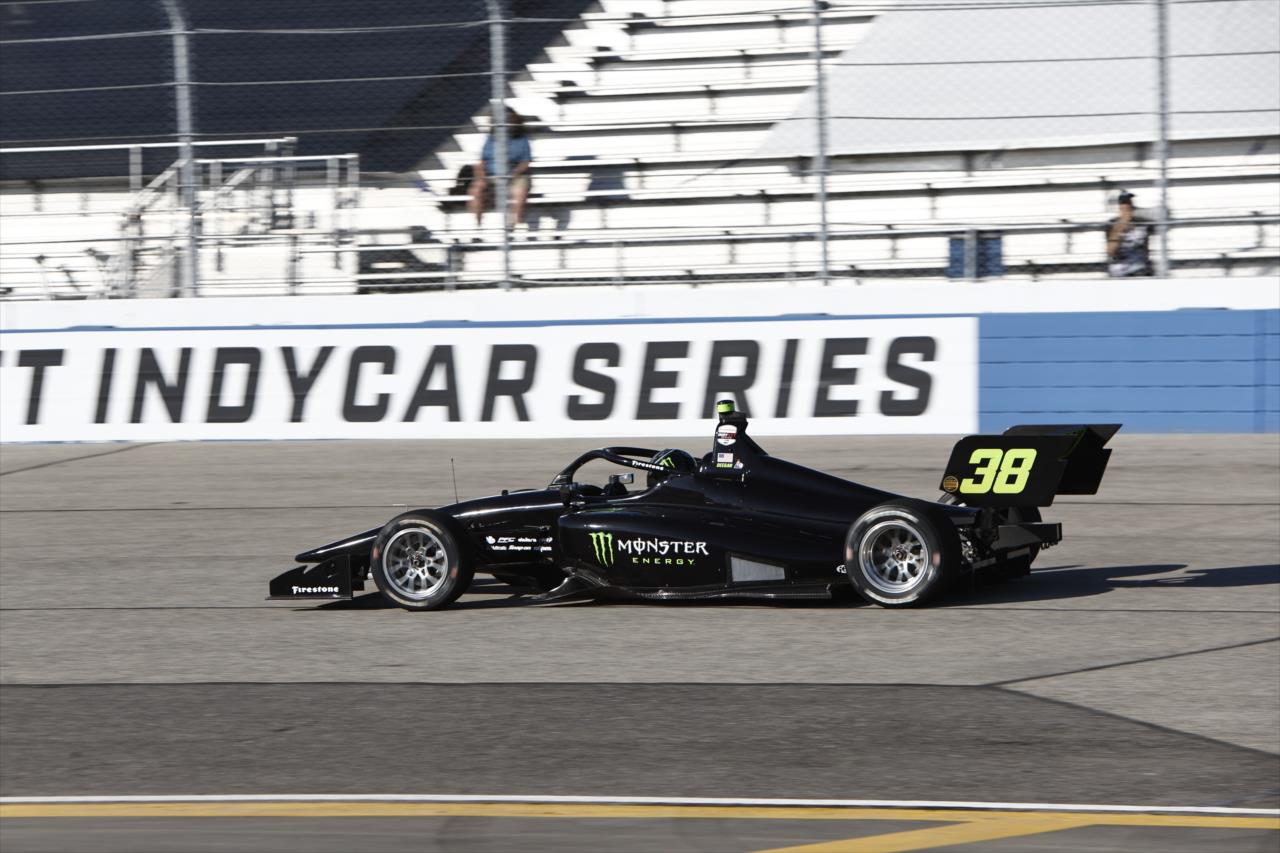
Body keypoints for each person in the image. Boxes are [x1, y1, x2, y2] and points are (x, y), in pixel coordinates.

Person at [467, 108, 531, 230]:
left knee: (520, 191)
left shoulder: (521, 139)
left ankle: (517, 226)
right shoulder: (490, 138)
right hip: (491, 175)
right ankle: (477, 227)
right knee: (476, 190)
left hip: (515, 175)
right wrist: (482, 177)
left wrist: (512, 175)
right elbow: (481, 162)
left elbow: (525, 163)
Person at [1105, 190, 1153, 277]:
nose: (1128, 207)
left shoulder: (1142, 222)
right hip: (1120, 266)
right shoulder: (1112, 224)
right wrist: (1120, 226)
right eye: (1124, 205)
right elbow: (1110, 251)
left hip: (1139, 265)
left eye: (1129, 204)